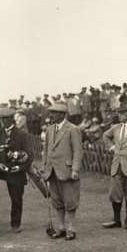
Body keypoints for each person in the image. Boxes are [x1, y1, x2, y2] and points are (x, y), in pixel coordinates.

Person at [42, 103, 83, 241]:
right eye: (51, 112)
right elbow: (46, 150)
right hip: (52, 170)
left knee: (70, 200)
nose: (51, 115)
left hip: (67, 170)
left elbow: (78, 151)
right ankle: (61, 227)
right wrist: (45, 167)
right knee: (57, 200)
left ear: (62, 114)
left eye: (54, 112)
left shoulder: (73, 129)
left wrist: (75, 169)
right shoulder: (49, 129)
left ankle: (71, 228)